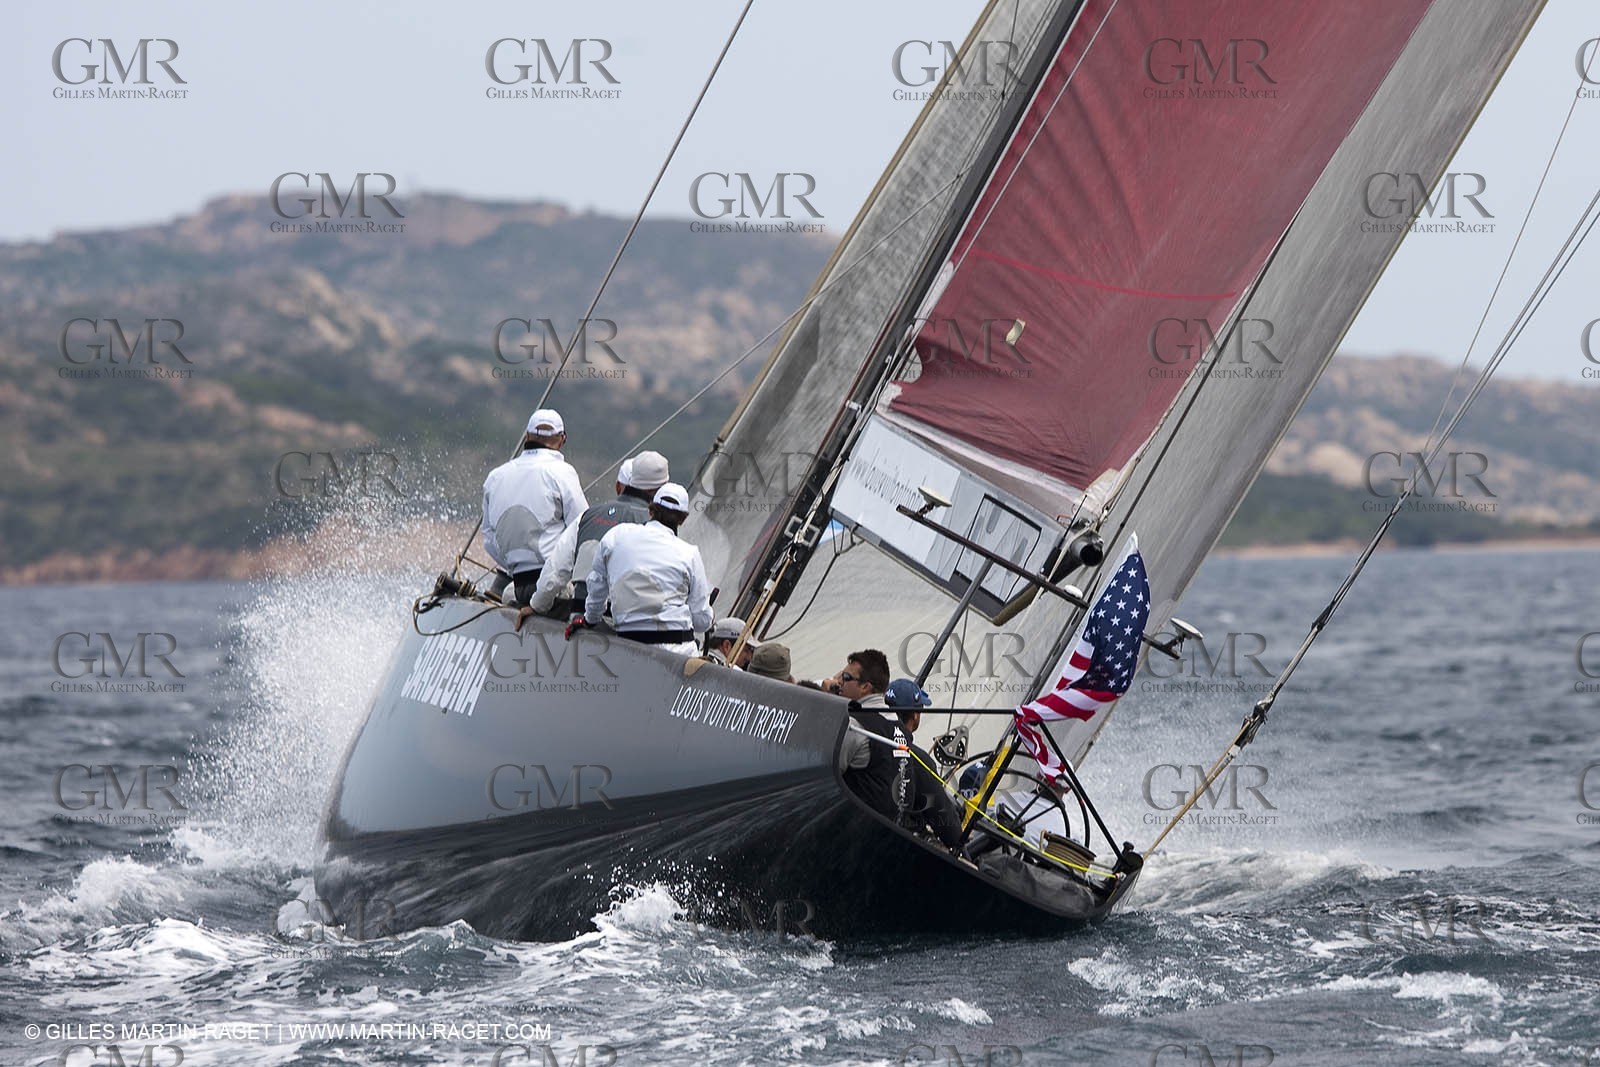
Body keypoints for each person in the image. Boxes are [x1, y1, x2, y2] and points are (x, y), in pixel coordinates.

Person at [568, 482, 712, 656]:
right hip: (678, 654)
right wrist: (707, 614)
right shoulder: (690, 554)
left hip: (628, 648)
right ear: (683, 519)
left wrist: (589, 620)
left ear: (651, 510)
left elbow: (596, 587)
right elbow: (701, 622)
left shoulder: (615, 536)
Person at [529, 451, 668, 616]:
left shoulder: (587, 516)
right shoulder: (659, 528)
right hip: (626, 630)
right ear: (661, 489)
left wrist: (536, 607)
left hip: (579, 623)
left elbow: (554, 574)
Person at [482, 408, 587, 607]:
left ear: (527, 437)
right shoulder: (563, 472)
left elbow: (489, 539)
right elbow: (583, 529)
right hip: (553, 590)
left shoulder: (495, 477)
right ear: (562, 440)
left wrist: (515, 566)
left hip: (518, 585)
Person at [883, 678, 963, 849]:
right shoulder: (919, 760)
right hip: (898, 848)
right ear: (915, 715)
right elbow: (950, 831)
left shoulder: (869, 739)